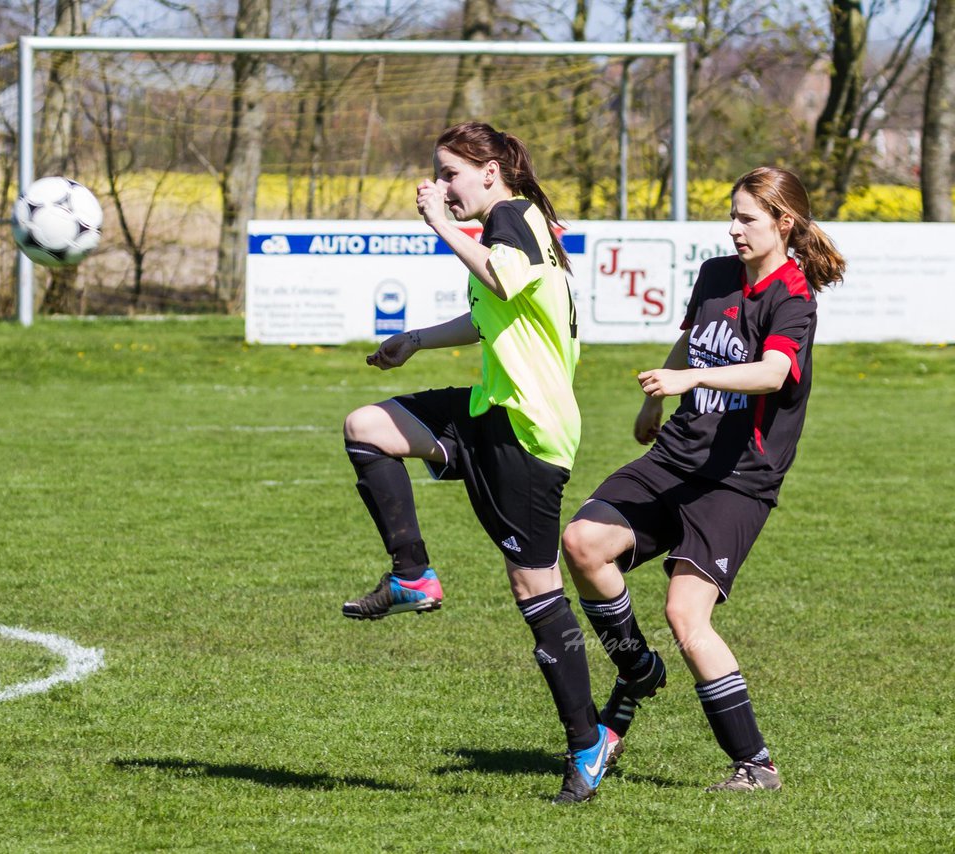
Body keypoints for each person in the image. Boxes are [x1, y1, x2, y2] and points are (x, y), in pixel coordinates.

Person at [339, 121, 619, 804]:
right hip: (488, 410)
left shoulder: (514, 218)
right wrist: (416, 340)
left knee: (534, 589)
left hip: (526, 431)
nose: (441, 185)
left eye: (450, 173)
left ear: (491, 171)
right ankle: (414, 577)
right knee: (367, 427)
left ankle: (588, 743)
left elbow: (498, 275)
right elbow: (494, 310)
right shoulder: (514, 225)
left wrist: (439, 223)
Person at [560, 166, 846, 793]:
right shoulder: (717, 274)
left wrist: (691, 382)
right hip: (677, 456)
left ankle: (755, 765)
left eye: (748, 217)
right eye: (733, 215)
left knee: (686, 617)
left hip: (738, 479)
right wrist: (656, 401)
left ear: (783, 223)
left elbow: (772, 374)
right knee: (582, 542)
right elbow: (692, 342)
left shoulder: (793, 296)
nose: (735, 228)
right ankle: (636, 667)